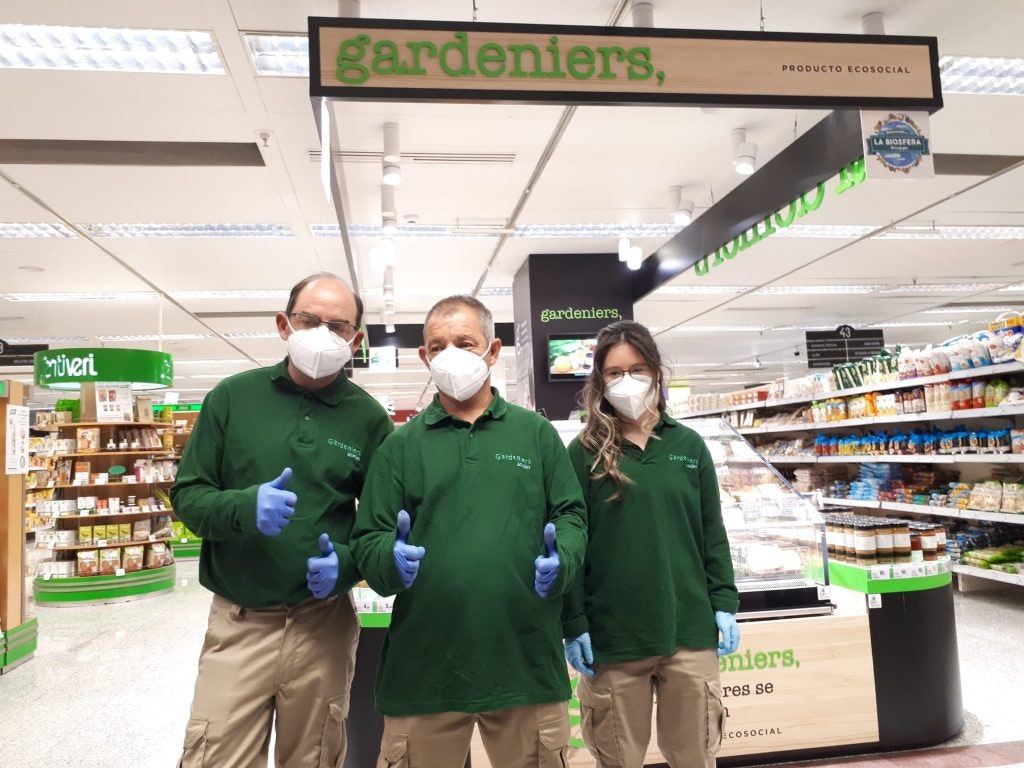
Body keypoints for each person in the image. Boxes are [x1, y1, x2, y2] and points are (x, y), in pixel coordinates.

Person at [352, 294, 588, 768]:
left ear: (493, 350)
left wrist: (562, 557)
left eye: (465, 342)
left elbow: (572, 514)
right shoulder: (400, 447)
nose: (450, 354)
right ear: (424, 357)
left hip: (524, 660)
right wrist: (387, 559)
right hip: (424, 668)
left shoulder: (535, 435)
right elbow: (370, 536)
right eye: (437, 346)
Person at [171, 272, 394, 768]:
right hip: (239, 622)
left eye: (338, 327)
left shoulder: (368, 419)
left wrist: (349, 562)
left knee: (315, 755)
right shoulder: (232, 398)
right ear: (283, 324)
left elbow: (378, 526)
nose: (322, 334)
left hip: (324, 624)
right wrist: (242, 507)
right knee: (215, 754)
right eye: (308, 320)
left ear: (355, 340)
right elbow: (187, 497)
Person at [562, 319, 740, 768]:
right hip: (613, 636)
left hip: (690, 628)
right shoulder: (582, 452)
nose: (627, 381)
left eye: (638, 369)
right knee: (618, 759)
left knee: (695, 755)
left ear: (657, 372)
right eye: (615, 372)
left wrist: (723, 599)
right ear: (599, 381)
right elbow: (572, 542)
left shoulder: (689, 446)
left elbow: (711, 531)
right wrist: (574, 620)